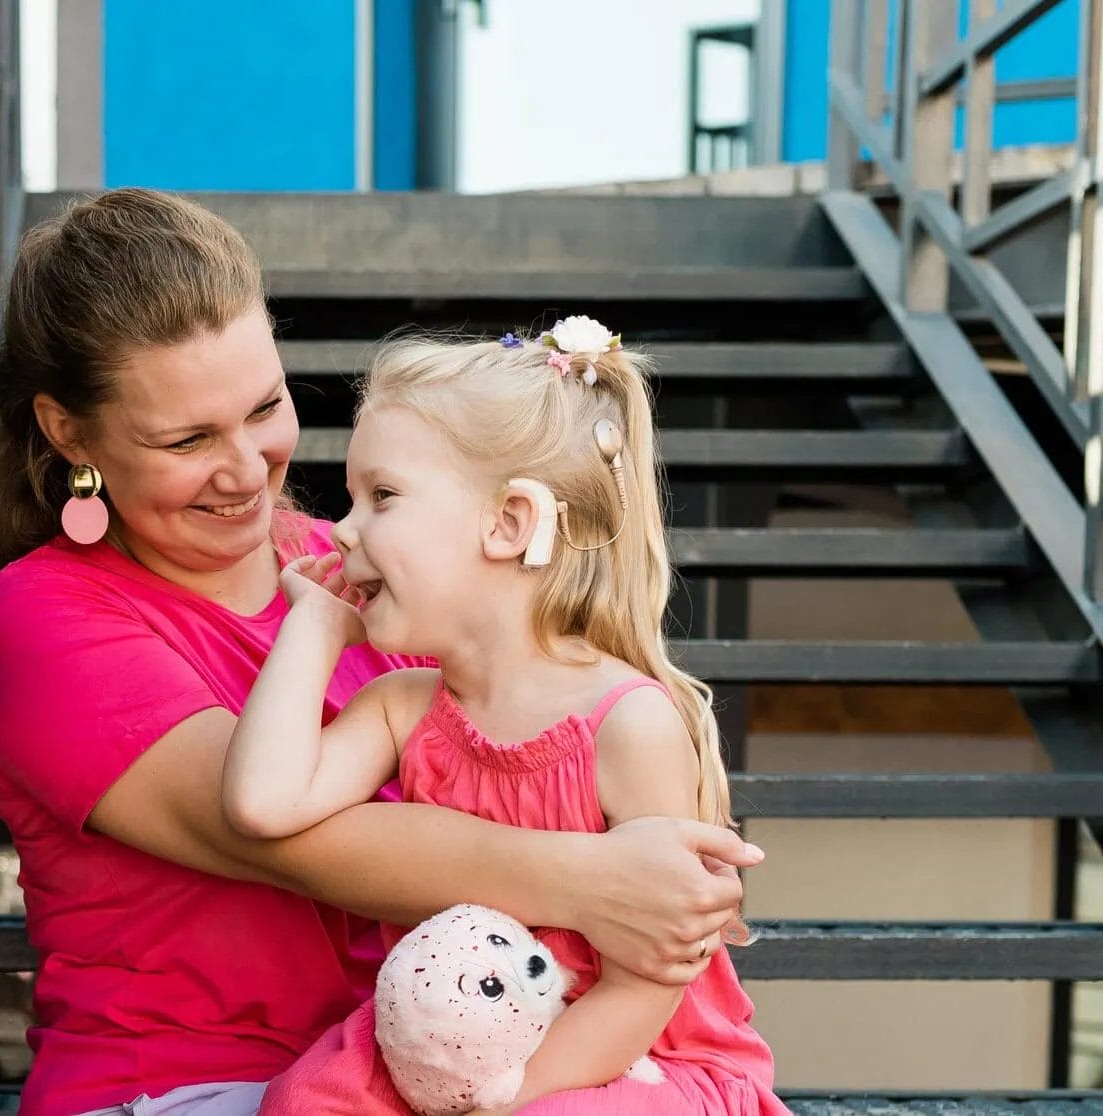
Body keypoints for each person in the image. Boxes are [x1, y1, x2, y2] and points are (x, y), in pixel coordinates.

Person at [0, 188, 765, 1116]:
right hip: (187, 1086)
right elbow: (281, 835)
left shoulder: (351, 570)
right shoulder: (40, 619)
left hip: (432, 1060)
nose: (248, 469)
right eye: (188, 439)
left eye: (264, 408)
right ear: (68, 431)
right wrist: (608, 882)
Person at [223, 323, 787, 1114]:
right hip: (454, 1055)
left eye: (381, 496)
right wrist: (312, 628)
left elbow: (649, 983)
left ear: (508, 524)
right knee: (302, 1100)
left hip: (624, 1061)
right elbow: (261, 804)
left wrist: (513, 1095)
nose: (343, 529)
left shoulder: (628, 725)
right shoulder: (400, 709)